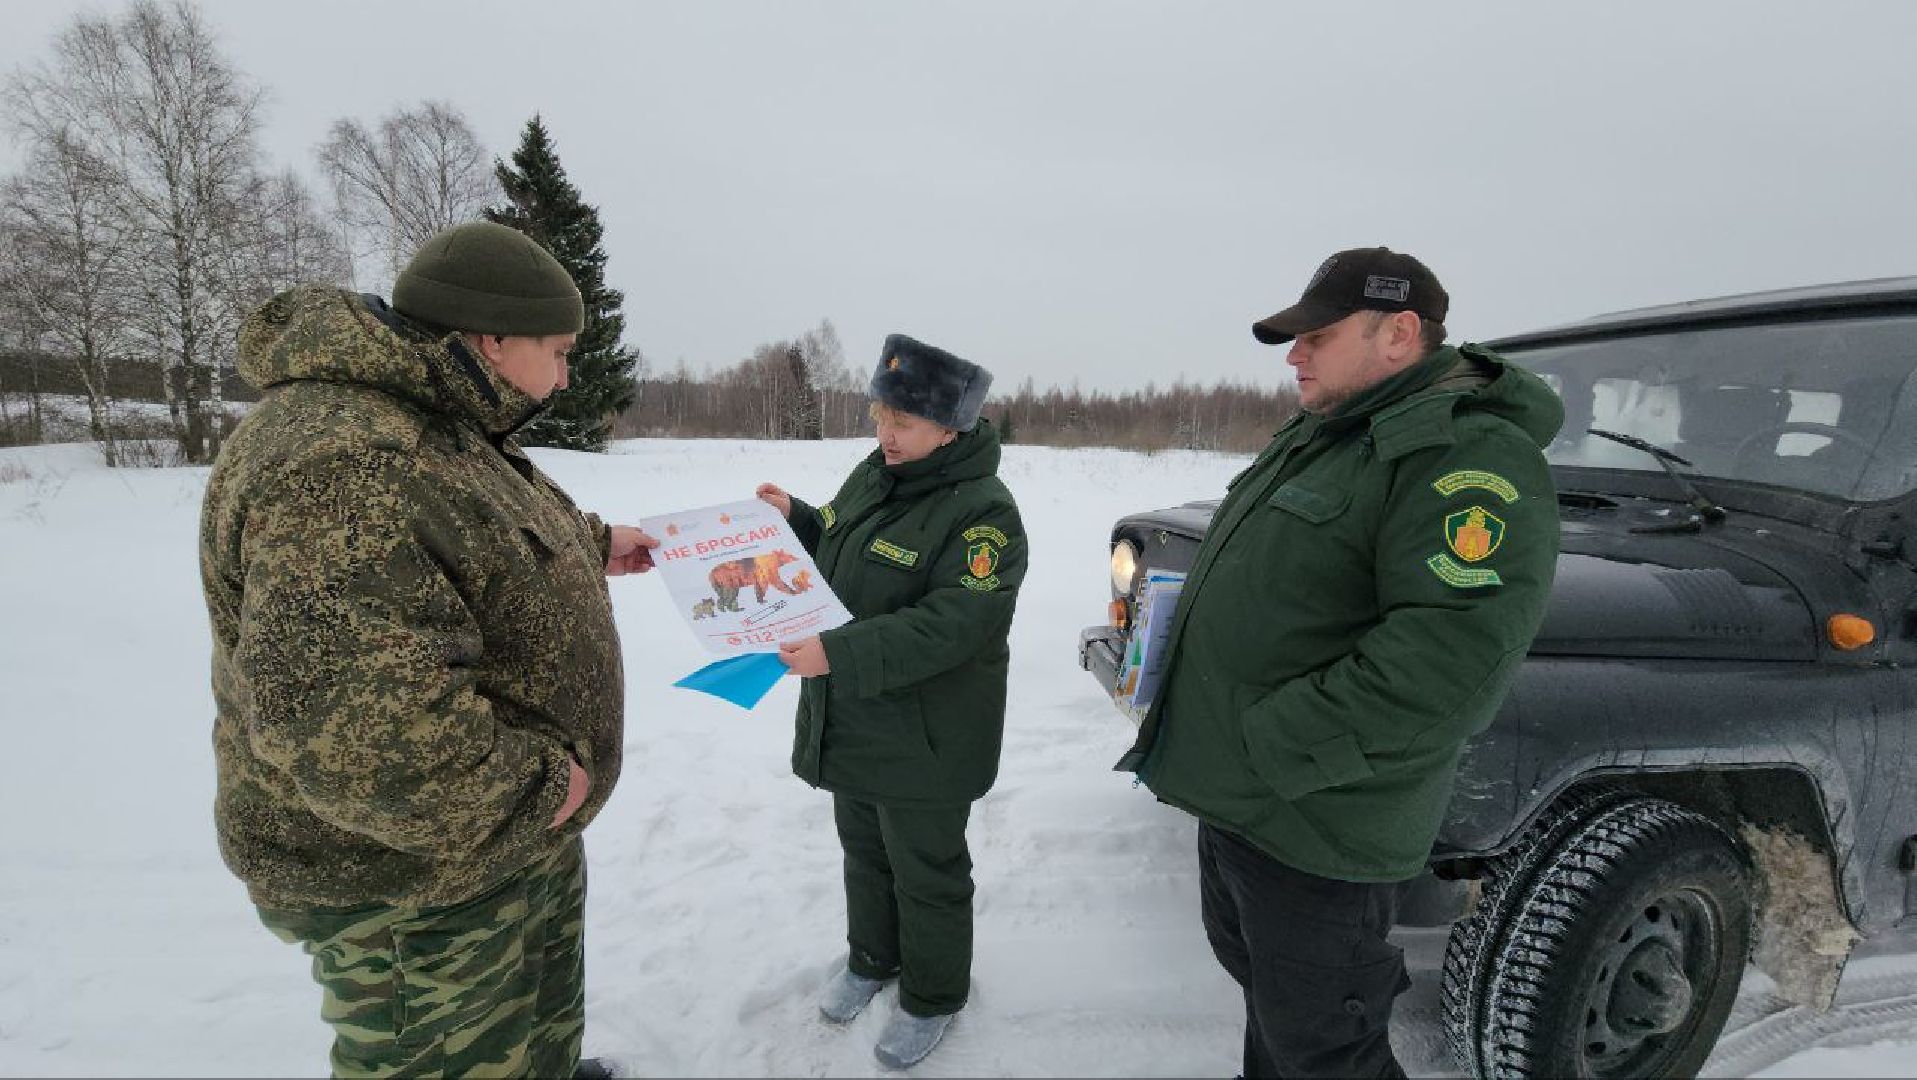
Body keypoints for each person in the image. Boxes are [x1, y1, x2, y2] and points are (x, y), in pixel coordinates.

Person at [200, 221, 658, 1078]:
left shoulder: (435, 415)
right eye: (555, 352)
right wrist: (541, 787)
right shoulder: (346, 461)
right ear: (489, 337)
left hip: (501, 838)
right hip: (417, 877)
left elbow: (460, 532)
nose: (563, 375)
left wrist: (587, 545)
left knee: (532, 1026)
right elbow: (361, 736)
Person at [1115, 247, 1564, 1078]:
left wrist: (1275, 742)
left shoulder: (1462, 457)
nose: (1294, 355)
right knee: (1275, 1006)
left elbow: (1447, 660)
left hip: (1318, 823)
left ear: (1398, 333)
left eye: (1315, 337)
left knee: (1325, 1046)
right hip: (1249, 801)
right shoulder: (1330, 435)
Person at [755, 334, 1025, 1071]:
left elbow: (955, 624)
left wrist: (836, 654)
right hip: (858, 719)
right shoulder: (875, 476)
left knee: (926, 872)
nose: (885, 436)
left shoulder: (983, 515)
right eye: (880, 417)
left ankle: (934, 995)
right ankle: (872, 957)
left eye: (902, 424)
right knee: (864, 855)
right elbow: (842, 551)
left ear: (951, 428)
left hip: (929, 736)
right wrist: (799, 520)